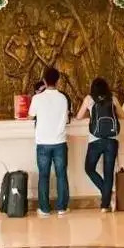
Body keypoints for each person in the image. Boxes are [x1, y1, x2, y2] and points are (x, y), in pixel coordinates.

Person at [76, 77, 124, 213]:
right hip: (112, 140)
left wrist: (90, 114)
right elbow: (122, 116)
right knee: (108, 173)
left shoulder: (89, 99)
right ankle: (105, 204)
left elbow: (78, 116)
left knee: (89, 168)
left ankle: (106, 195)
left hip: (95, 140)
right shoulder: (113, 98)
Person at [28, 67, 70, 217]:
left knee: (43, 175)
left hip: (43, 142)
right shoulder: (63, 98)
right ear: (58, 81)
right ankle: (62, 208)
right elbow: (66, 118)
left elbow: (30, 116)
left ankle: (44, 209)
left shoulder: (37, 98)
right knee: (61, 175)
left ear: (44, 80)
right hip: (60, 142)